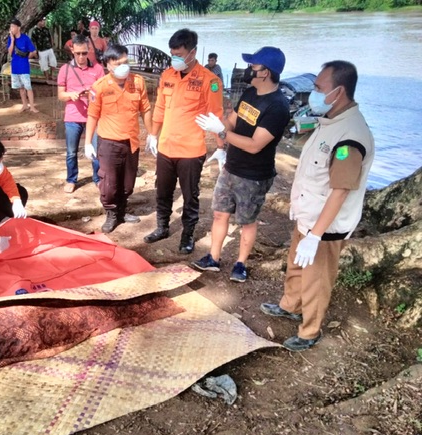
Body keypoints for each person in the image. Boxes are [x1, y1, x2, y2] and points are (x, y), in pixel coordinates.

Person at [260, 61, 374, 351]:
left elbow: (340, 191)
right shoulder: (329, 122)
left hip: (326, 227)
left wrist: (316, 235)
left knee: (316, 280)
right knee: (296, 267)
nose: (313, 93)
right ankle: (290, 305)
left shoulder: (350, 135)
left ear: (339, 92)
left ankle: (309, 331)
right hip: (308, 217)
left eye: (318, 88)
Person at [192, 46, 290, 282]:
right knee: (219, 213)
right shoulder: (249, 94)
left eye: (253, 67)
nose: (249, 71)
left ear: (266, 72)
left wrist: (222, 134)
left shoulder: (278, 106)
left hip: (254, 173)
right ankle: (213, 258)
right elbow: (232, 122)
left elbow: (256, 145)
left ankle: (240, 264)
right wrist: (219, 126)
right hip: (232, 167)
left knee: (246, 221)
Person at [143, 28, 224, 255]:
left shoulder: (210, 80)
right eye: (173, 54)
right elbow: (159, 107)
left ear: (193, 52)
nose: (175, 59)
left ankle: (187, 235)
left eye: (179, 54)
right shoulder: (167, 75)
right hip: (166, 146)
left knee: (190, 195)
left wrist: (221, 147)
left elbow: (216, 116)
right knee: (163, 191)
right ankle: (162, 227)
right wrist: (153, 133)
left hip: (190, 150)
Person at [84, 44, 153, 233]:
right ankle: (112, 213)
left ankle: (122, 211)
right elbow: (92, 115)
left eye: (126, 62)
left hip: (131, 142)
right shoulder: (99, 87)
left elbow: (145, 109)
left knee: (128, 183)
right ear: (108, 65)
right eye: (118, 63)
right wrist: (88, 142)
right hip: (108, 143)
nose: (124, 66)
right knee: (109, 185)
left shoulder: (138, 82)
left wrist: (152, 134)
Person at [56, 34, 105, 193]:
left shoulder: (97, 69)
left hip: (94, 116)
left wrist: (91, 94)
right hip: (72, 117)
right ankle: (71, 179)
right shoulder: (65, 69)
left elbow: (103, 92)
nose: (81, 57)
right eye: (78, 53)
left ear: (89, 50)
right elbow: (61, 95)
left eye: (84, 53)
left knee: (97, 151)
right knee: (71, 152)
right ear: (72, 50)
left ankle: (97, 178)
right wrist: (72, 95)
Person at [7, 18, 39, 113]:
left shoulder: (25, 38)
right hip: (15, 67)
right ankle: (25, 105)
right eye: (11, 27)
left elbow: (33, 51)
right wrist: (12, 40)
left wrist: (27, 58)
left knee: (28, 87)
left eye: (13, 26)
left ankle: (32, 106)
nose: (11, 28)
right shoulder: (10, 39)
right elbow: (10, 52)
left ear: (18, 28)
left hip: (24, 67)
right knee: (21, 88)